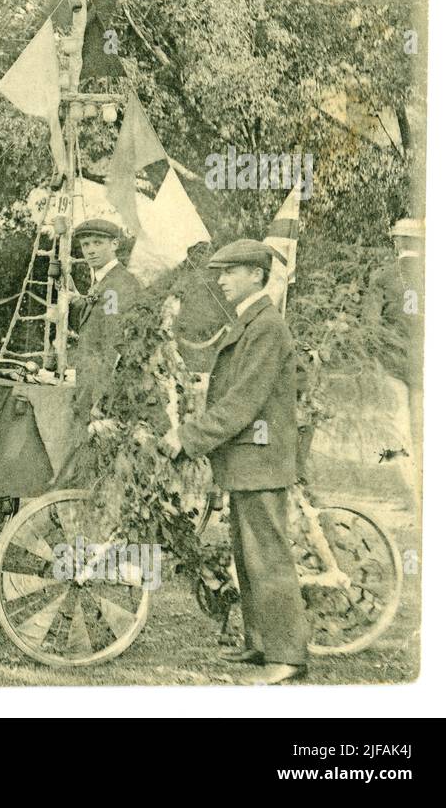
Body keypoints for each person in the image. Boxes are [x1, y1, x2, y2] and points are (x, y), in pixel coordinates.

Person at [158, 238, 308, 685]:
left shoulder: (266, 326)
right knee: (247, 557)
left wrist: (188, 437)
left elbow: (242, 402)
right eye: (220, 272)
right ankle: (262, 643)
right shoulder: (251, 320)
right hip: (249, 459)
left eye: (230, 272)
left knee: (268, 559)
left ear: (256, 276)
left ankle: (287, 657)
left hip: (260, 458)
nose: (221, 280)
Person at [363, 217, 424, 503]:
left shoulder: (383, 277)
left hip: (393, 364)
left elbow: (370, 327)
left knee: (398, 428)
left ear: (398, 242)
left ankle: (409, 495)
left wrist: (375, 357)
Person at [70, 218, 144, 419]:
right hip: (88, 393)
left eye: (97, 243)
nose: (90, 250)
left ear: (114, 244)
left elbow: (115, 346)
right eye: (85, 244)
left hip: (100, 403)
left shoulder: (117, 285)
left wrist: (102, 402)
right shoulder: (104, 282)